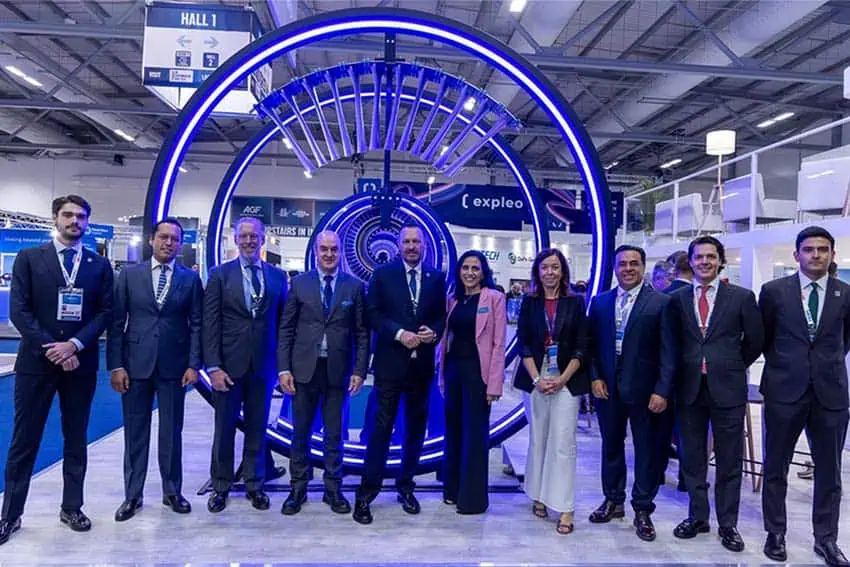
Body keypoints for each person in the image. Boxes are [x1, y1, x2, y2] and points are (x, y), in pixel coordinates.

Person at [0, 195, 113, 545]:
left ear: (87, 223)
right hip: (37, 363)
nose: (74, 221)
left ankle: (72, 507)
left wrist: (75, 345)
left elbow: (105, 313)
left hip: (80, 364)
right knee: (24, 439)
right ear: (55, 218)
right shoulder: (30, 259)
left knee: (76, 438)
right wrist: (54, 348)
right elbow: (19, 312)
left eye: (81, 216)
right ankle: (10, 515)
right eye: (68, 215)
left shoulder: (98, 265)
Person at [759, 226, 850, 566]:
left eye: (822, 249)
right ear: (797, 255)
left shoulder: (846, 293)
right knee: (775, 466)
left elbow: (844, 340)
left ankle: (826, 540)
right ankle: (776, 533)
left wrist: (822, 365)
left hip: (831, 393)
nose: (816, 255)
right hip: (784, 389)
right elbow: (765, 337)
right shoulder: (773, 292)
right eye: (809, 249)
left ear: (831, 254)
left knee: (829, 471)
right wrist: (789, 365)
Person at [670, 235, 763, 552]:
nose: (705, 262)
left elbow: (754, 340)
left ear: (720, 260)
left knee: (729, 461)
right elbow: (673, 343)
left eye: (711, 256)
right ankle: (697, 516)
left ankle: (728, 524)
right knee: (692, 458)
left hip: (728, 388)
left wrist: (731, 364)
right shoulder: (678, 300)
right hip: (689, 388)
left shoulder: (741, 297)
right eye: (699, 257)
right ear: (691, 262)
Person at [107, 218, 202, 522]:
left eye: (175, 239)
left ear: (180, 243)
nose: (168, 243)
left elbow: (197, 325)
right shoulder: (128, 275)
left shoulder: (190, 279)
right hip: (134, 366)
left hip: (175, 366)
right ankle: (132, 495)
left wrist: (193, 364)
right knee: (135, 432)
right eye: (163, 237)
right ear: (151, 240)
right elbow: (116, 323)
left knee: (172, 432)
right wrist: (116, 365)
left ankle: (172, 491)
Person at [353, 224, 447, 525]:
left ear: (423, 245)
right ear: (398, 244)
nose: (411, 246)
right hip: (390, 367)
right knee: (381, 430)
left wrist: (435, 331)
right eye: (406, 241)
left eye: (415, 241)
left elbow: (441, 316)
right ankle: (367, 493)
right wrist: (398, 333)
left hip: (421, 369)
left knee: (415, 431)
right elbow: (372, 315)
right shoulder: (383, 275)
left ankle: (406, 486)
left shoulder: (436, 278)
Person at [587, 245, 675, 542]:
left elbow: (669, 352)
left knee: (646, 452)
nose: (627, 268)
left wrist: (662, 390)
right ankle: (613, 500)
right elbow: (591, 346)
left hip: (645, 391)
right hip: (607, 389)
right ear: (614, 268)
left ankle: (642, 508)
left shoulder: (661, 302)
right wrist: (595, 377)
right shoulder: (600, 303)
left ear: (643, 266)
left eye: (633, 263)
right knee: (611, 446)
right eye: (622, 264)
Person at [278, 231, 368, 516]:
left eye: (334, 249)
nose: (329, 254)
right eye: (324, 249)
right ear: (316, 251)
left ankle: (333, 489)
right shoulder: (300, 284)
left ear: (341, 252)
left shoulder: (354, 287)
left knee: (334, 435)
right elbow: (286, 329)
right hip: (304, 370)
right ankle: (298, 489)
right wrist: (283, 368)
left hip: (338, 372)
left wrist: (359, 370)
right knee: (300, 433)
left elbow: (362, 333)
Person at [203, 217, 287, 513]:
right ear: (235, 239)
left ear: (264, 239)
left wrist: (282, 366)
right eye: (244, 236)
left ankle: (255, 483)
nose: (249, 240)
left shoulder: (278, 277)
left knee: (257, 428)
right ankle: (221, 485)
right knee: (224, 429)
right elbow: (210, 324)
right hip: (227, 367)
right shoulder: (219, 275)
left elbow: (283, 324)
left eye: (255, 236)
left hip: (263, 367)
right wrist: (212, 366)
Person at [514, 248, 588, 535]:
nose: (549, 272)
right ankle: (539, 495)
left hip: (567, 380)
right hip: (535, 377)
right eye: (545, 267)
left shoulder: (575, 302)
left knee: (563, 443)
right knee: (539, 440)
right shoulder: (529, 302)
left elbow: (583, 345)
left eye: (555, 267)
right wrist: (537, 379)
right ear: (537, 271)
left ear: (562, 271)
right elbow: (523, 344)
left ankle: (566, 507)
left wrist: (562, 379)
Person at [437, 250, 505, 515]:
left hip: (479, 374)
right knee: (453, 432)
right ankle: (452, 490)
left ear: (483, 271)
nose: (470, 273)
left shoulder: (494, 298)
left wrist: (494, 385)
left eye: (475, 268)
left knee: (475, 436)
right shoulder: (452, 300)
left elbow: (499, 344)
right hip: (453, 370)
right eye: (465, 268)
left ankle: (472, 499)